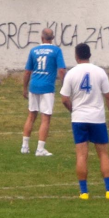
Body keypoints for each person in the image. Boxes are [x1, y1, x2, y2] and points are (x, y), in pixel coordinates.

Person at [60, 44, 109, 200]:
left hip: (79, 119)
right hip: (97, 118)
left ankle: (84, 193)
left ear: (76, 56)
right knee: (104, 154)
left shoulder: (71, 73)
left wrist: (74, 110)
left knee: (81, 155)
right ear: (90, 55)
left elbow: (64, 99)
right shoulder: (99, 72)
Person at [21, 28, 66, 156]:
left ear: (41, 38)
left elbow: (27, 71)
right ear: (52, 38)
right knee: (45, 118)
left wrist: (25, 87)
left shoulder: (33, 50)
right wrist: (64, 85)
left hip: (34, 86)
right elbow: (61, 70)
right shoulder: (56, 50)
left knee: (31, 116)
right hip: (47, 87)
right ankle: (40, 149)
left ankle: (25, 146)